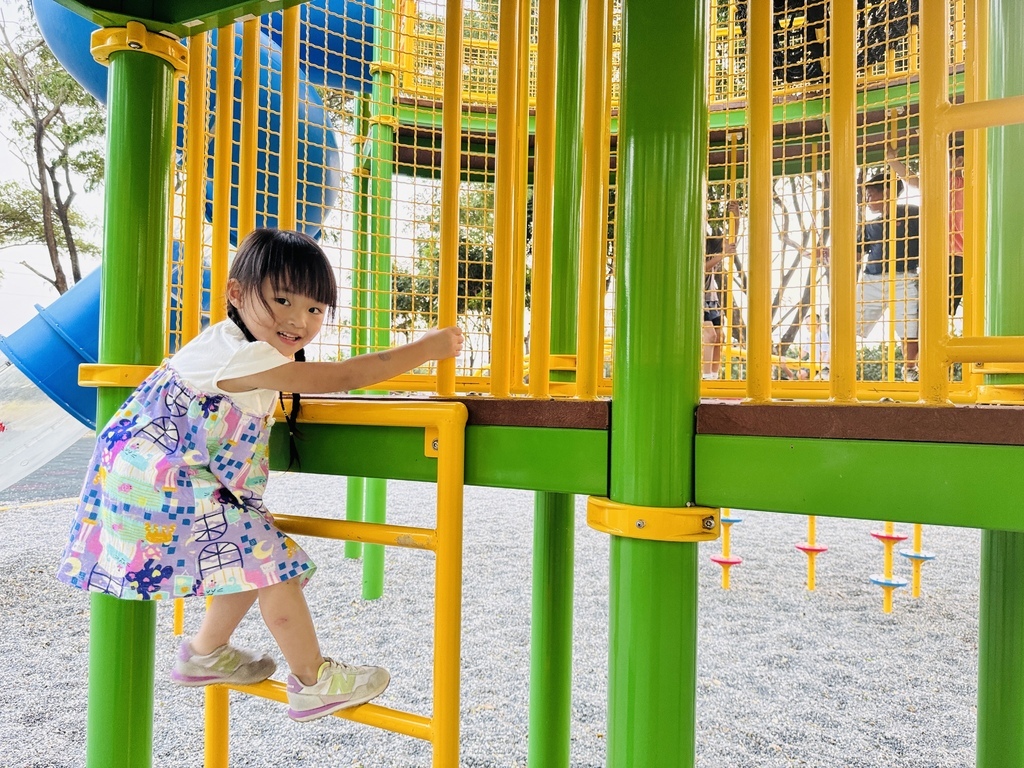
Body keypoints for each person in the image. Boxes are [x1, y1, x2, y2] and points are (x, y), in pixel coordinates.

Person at [56, 228, 464, 722]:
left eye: (315, 309)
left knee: (246, 557)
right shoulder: (239, 353)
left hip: (158, 475)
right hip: (162, 479)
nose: (298, 320)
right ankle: (314, 681)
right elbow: (340, 377)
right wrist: (425, 349)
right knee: (272, 563)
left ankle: (205, 653)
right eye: (282, 300)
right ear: (236, 292)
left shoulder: (234, 346)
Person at [884, 143, 965, 316]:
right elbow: (913, 181)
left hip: (945, 256)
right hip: (961, 257)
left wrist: (893, 161)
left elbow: (913, 180)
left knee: (928, 309)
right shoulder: (966, 185)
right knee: (941, 310)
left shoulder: (946, 183)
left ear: (959, 161)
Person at [858, 175, 920, 381]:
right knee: (851, 321)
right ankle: (832, 364)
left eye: (870, 196)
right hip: (872, 278)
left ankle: (910, 368)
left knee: (909, 325)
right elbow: (856, 253)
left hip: (904, 276)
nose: (867, 201)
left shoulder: (914, 213)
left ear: (886, 192)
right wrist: (828, 255)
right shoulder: (870, 225)